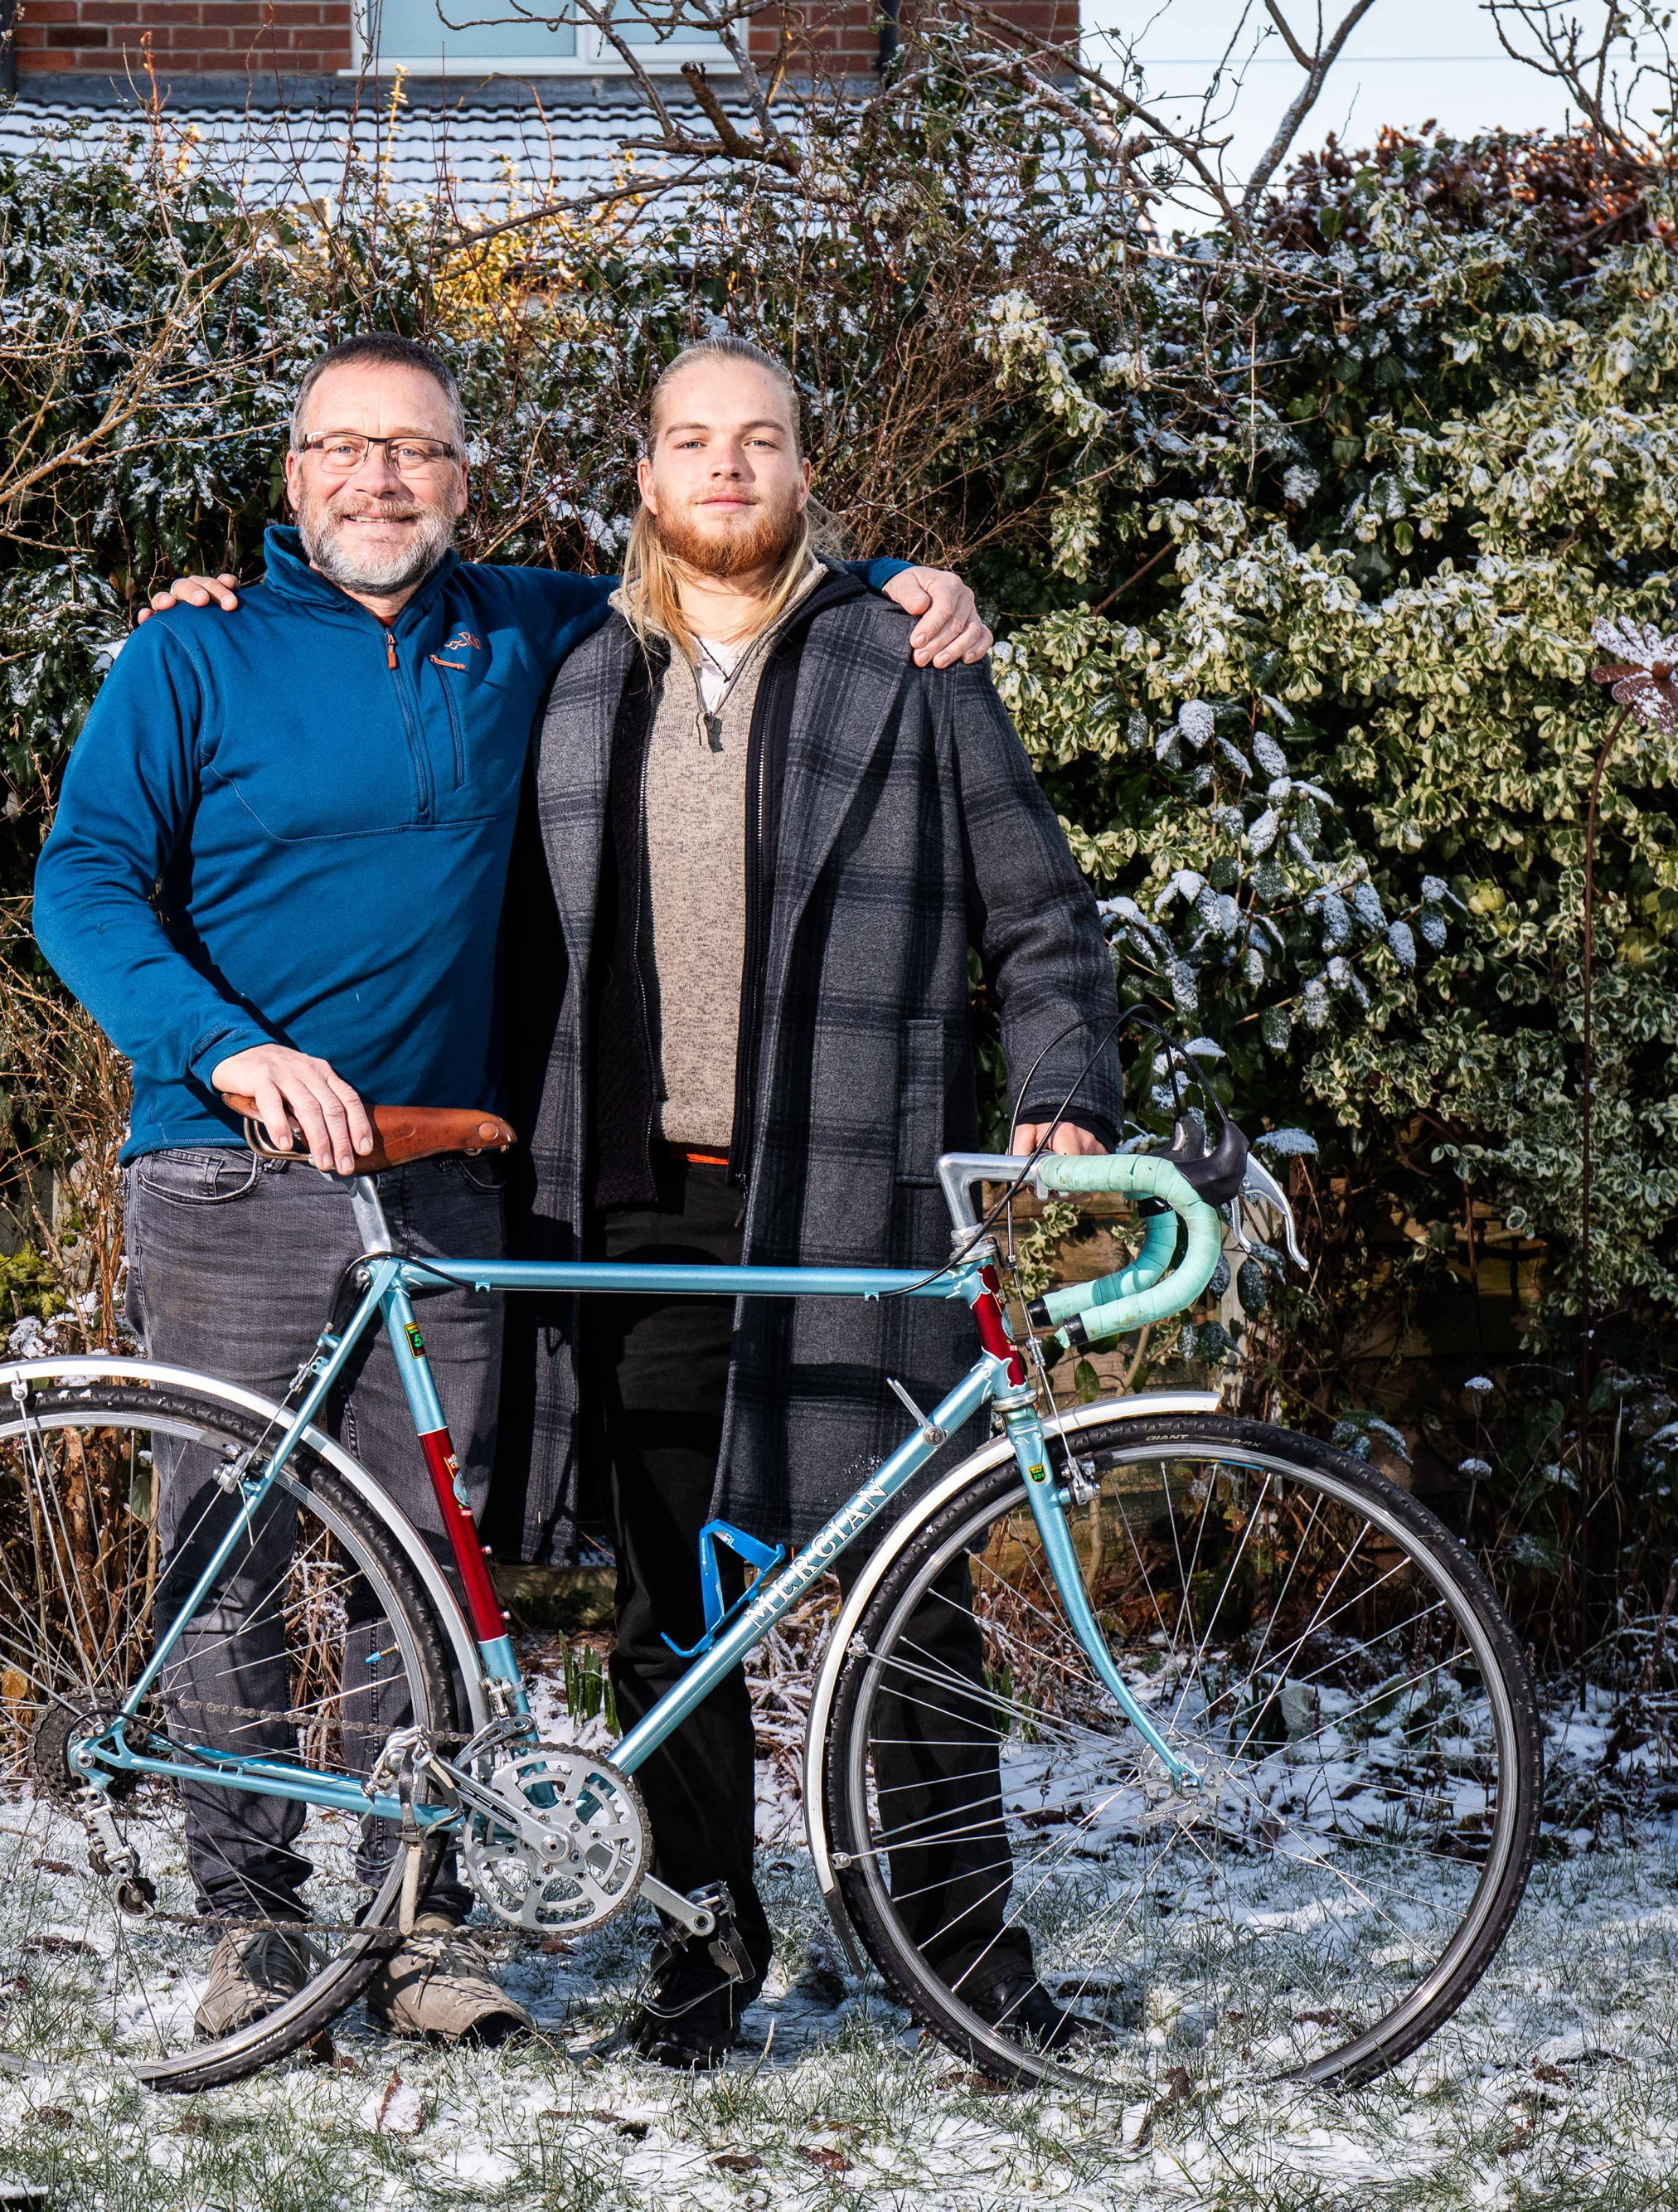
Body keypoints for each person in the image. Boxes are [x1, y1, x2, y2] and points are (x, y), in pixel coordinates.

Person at [32, 332, 990, 2049]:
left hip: (452, 1173)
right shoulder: (188, 658)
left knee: (435, 1561)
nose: (377, 480)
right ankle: (254, 1922)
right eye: (342, 449)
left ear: (463, 480)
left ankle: (419, 1922)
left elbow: (725, 566)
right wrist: (229, 1050)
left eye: (414, 452)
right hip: (226, 1159)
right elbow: (84, 885)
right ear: (291, 475)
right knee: (234, 1541)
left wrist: (904, 585)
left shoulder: (534, 630)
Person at [503, 335, 1122, 2064]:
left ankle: (967, 1969)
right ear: (641, 477)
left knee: (906, 1595)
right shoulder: (576, 676)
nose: (722, 466)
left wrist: (1062, 1095)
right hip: (627, 1208)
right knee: (661, 1614)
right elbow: (389, 592)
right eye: (689, 439)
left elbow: (1043, 919)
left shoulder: (908, 656)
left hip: (846, 1194)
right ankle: (702, 1957)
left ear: (799, 474)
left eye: (755, 440)